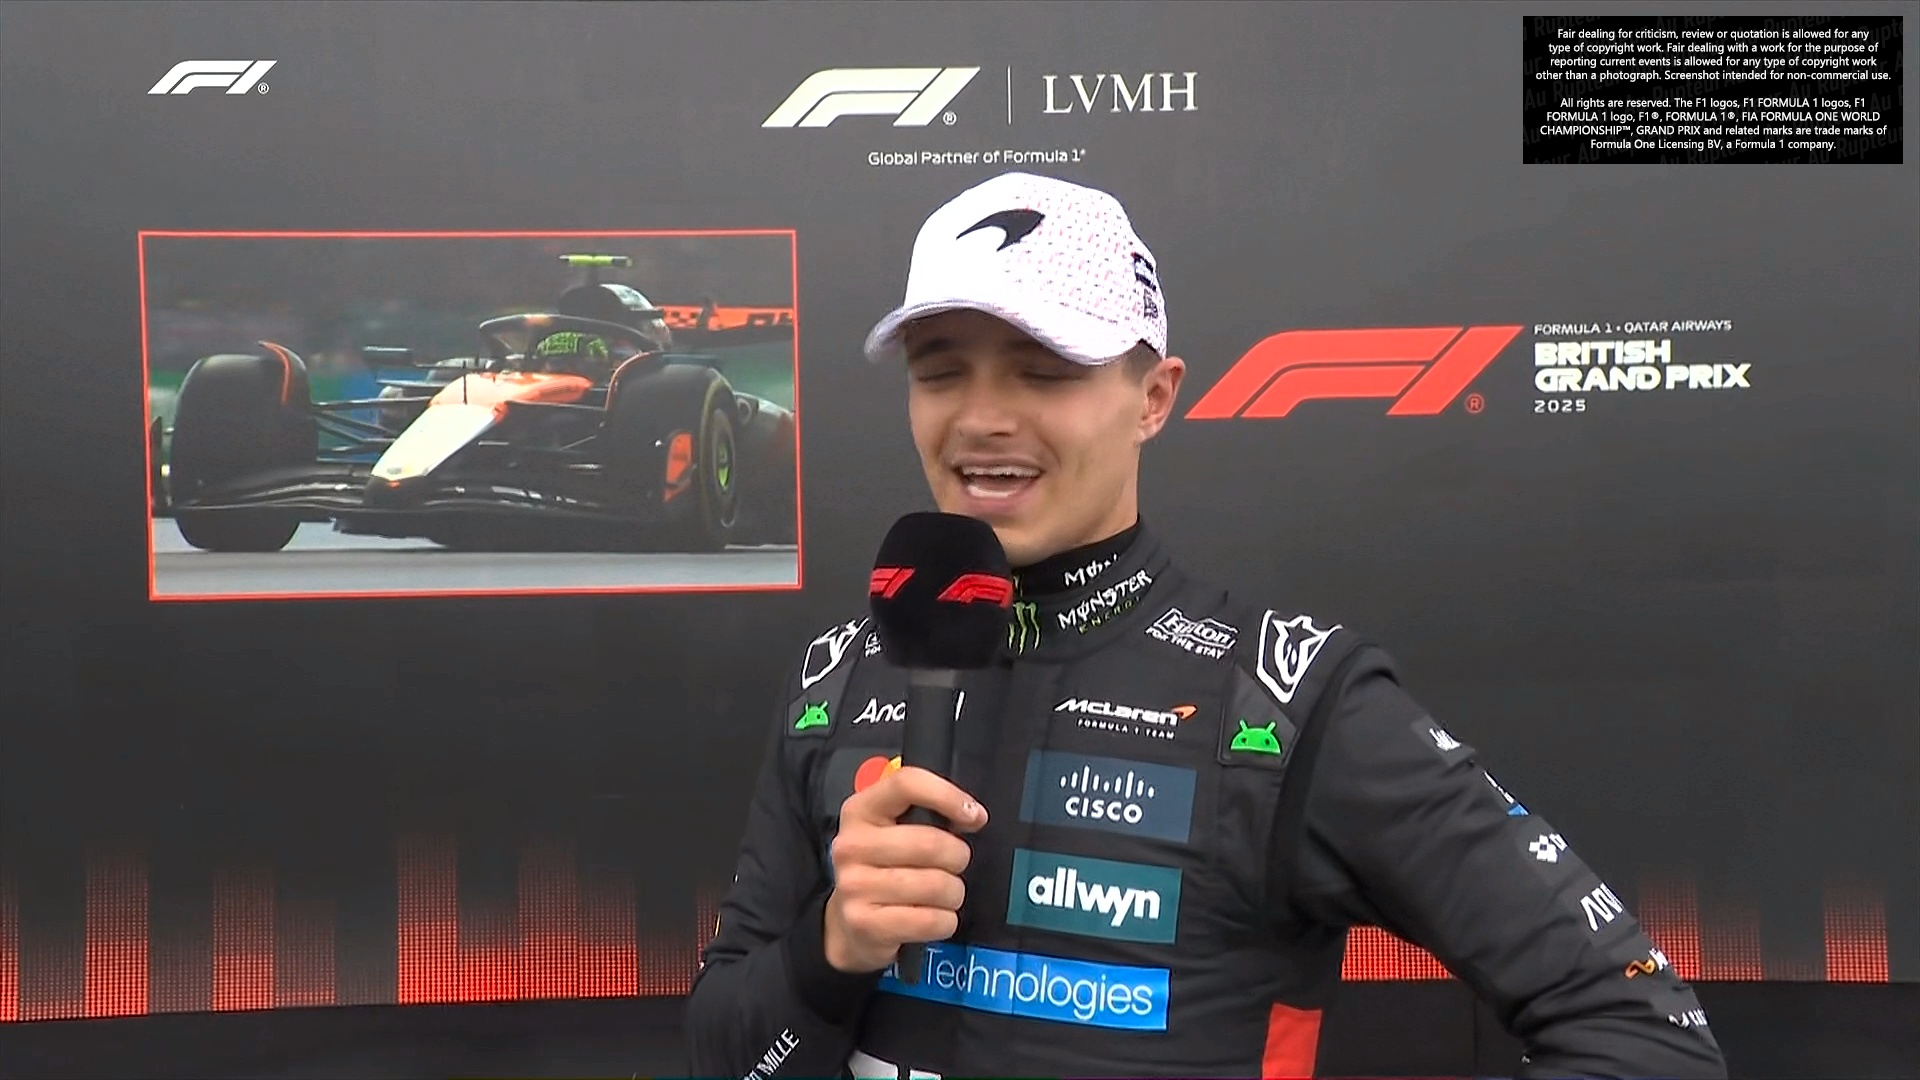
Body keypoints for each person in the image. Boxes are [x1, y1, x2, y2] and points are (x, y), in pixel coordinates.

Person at [684, 171, 1728, 1079]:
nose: (983, 417)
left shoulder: (1287, 700)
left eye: (1045, 371)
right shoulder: (837, 676)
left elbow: (1643, 1032)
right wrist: (831, 948)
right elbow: (724, 1057)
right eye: (940, 369)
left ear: (1154, 397)